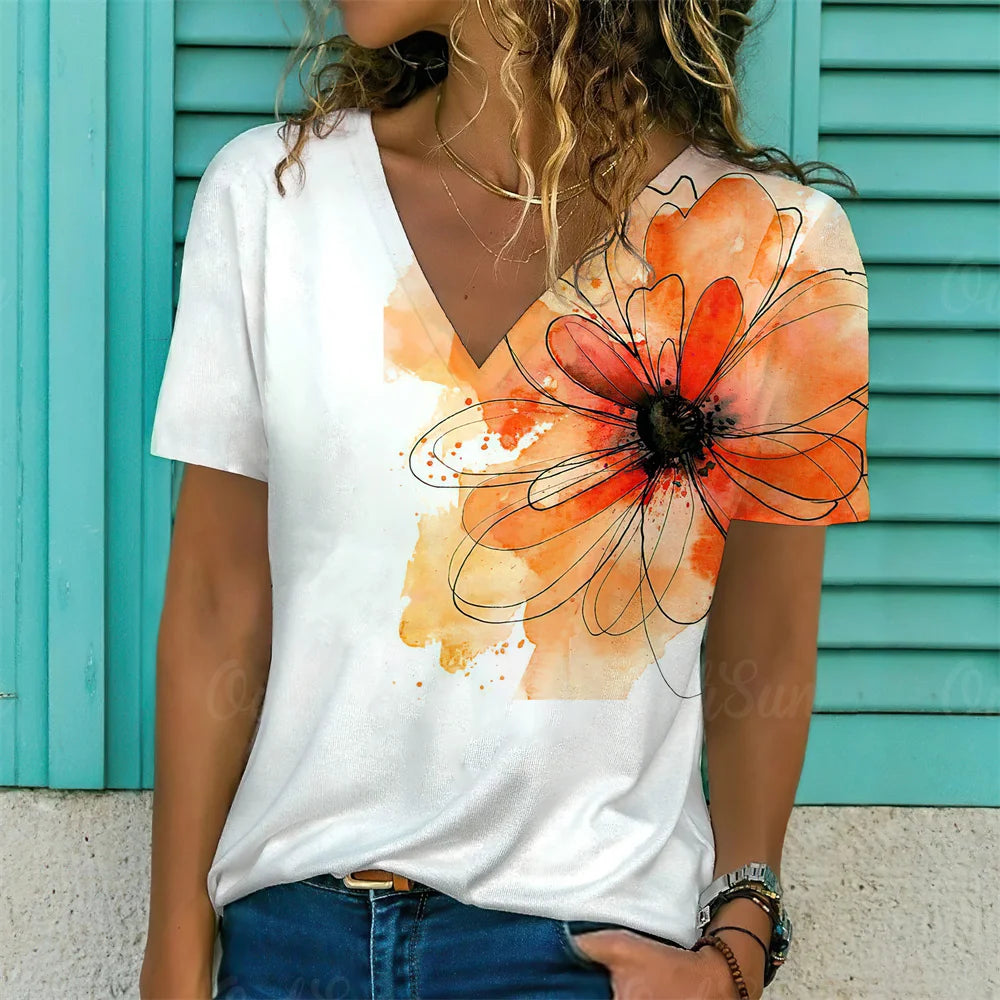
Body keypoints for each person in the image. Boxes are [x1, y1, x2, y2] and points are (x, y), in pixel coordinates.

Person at [139, 0, 870, 997]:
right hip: (289, 944)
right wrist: (175, 953)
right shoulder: (273, 197)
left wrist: (736, 951)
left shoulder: (774, 248)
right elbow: (216, 603)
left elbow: (766, 639)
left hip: (580, 948)